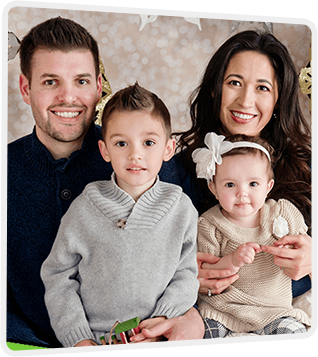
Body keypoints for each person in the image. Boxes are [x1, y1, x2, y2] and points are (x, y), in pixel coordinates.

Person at [7, 17, 204, 351]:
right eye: (51, 81)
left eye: (81, 80)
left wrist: (193, 317)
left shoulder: (148, 163)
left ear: (98, 86)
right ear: (26, 88)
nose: (68, 97)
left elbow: (206, 247)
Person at [40, 83, 199, 348]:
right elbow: (57, 276)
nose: (135, 154)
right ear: (105, 150)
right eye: (121, 143)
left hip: (158, 338)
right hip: (97, 343)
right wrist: (78, 339)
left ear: (168, 149)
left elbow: (186, 274)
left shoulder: (181, 209)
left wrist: (164, 318)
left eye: (149, 142)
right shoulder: (84, 209)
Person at [174, 30, 311, 300]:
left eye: (263, 88)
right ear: (215, 90)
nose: (246, 101)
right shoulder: (180, 170)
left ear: (278, 101)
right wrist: (183, 277)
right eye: (234, 83)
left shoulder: (306, 167)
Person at [192, 132, 310, 352]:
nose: (242, 193)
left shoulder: (282, 213)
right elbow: (205, 272)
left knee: (295, 338)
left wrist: (294, 251)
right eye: (229, 185)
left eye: (253, 183)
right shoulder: (209, 224)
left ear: (268, 185)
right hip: (222, 311)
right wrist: (231, 261)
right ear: (213, 188)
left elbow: (307, 249)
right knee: (200, 341)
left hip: (273, 310)